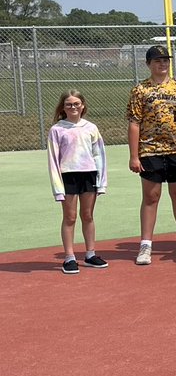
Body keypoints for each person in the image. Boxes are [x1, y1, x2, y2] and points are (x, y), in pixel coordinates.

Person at [127, 45, 176, 264]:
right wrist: (134, 156)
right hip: (150, 150)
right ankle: (145, 245)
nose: (162, 64)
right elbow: (134, 123)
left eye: (165, 61)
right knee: (151, 197)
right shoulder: (140, 90)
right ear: (148, 64)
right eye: (157, 61)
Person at [47, 90, 108, 273]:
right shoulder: (57, 130)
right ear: (63, 107)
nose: (73, 107)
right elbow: (53, 160)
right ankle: (69, 257)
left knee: (88, 215)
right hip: (68, 177)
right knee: (70, 217)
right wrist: (58, 188)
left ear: (82, 106)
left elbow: (99, 155)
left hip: (88, 175)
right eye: (68, 104)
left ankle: (90, 254)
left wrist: (101, 181)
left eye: (76, 104)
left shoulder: (91, 128)